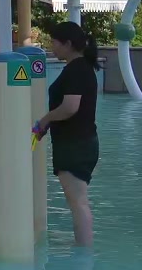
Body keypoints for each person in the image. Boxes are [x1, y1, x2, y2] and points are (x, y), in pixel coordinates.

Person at [40, 22, 101, 246]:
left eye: (54, 42)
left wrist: (45, 120)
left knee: (78, 203)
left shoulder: (76, 69)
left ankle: (84, 255)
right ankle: (83, 251)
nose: (51, 47)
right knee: (78, 201)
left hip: (75, 144)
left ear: (67, 44)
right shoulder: (81, 67)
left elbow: (70, 107)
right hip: (79, 142)